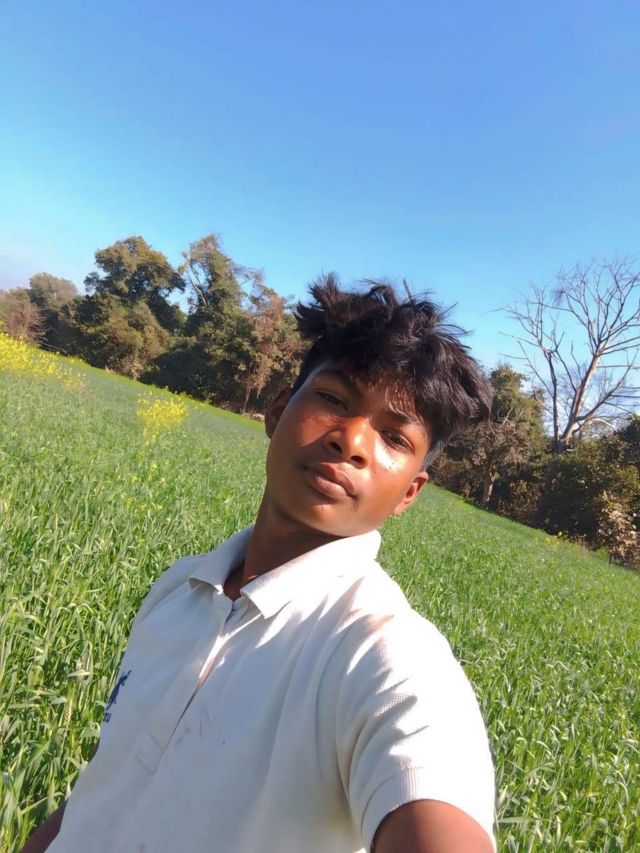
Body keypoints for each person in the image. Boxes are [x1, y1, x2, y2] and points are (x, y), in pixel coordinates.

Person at [22, 276, 497, 853]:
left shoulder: (387, 659)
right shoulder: (180, 588)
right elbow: (106, 785)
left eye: (395, 438)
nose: (352, 441)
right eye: (334, 400)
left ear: (410, 493)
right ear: (276, 411)